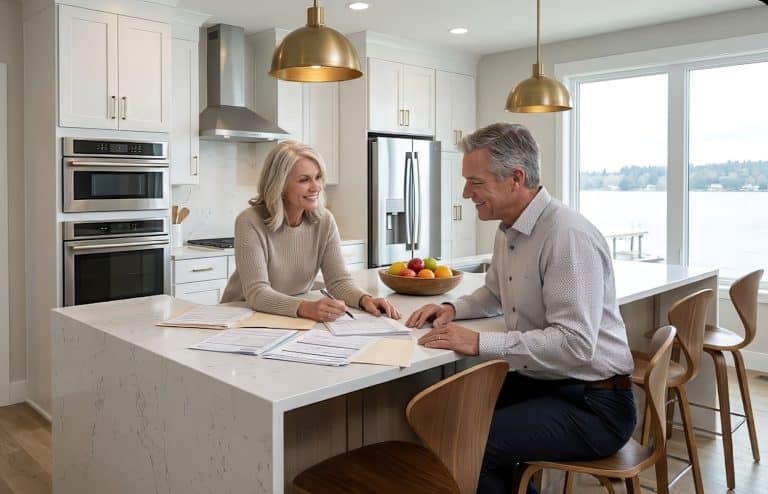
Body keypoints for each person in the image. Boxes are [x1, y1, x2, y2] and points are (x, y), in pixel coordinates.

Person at [405, 123, 636, 494]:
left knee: (472, 442)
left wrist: (479, 343)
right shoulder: (508, 229)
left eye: (475, 182)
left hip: (595, 404)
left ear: (516, 178)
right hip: (547, 383)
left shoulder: (566, 235)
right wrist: (451, 308)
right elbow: (494, 294)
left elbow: (575, 343)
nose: (466, 193)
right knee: (447, 423)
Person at [221, 140, 399, 322]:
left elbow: (338, 282)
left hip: (287, 315)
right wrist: (306, 308)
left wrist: (365, 299)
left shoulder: (324, 221)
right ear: (280, 185)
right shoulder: (249, 221)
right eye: (304, 179)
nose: (316, 187)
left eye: (318, 177)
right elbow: (257, 294)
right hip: (240, 317)